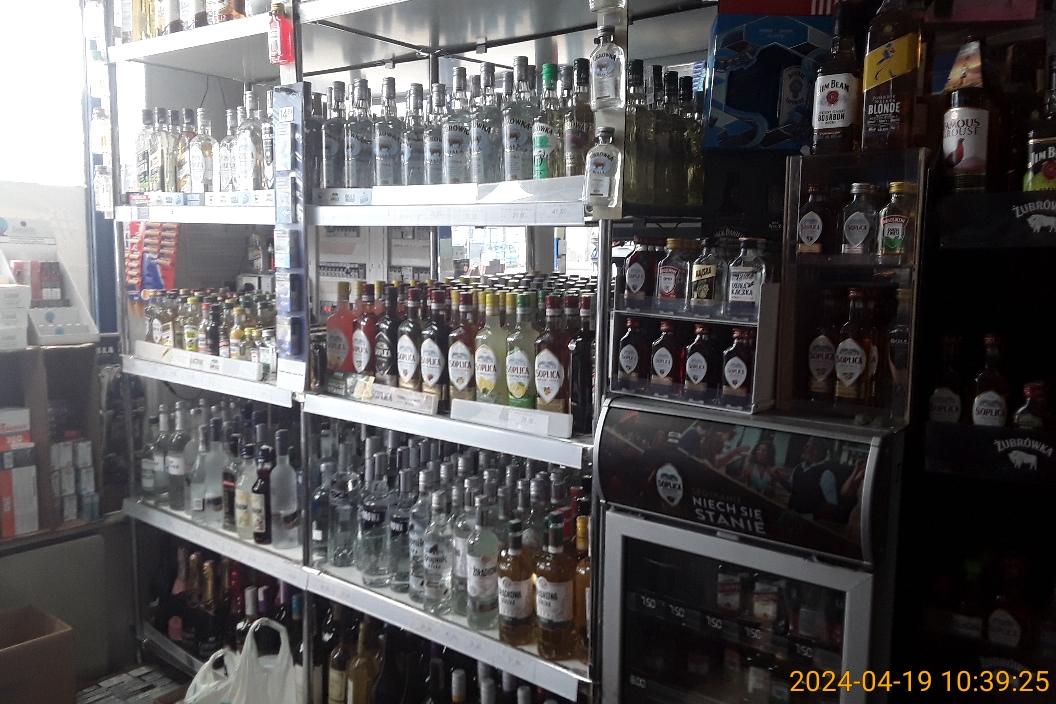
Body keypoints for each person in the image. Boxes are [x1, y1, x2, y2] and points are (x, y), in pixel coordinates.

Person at [785, 437, 839, 520]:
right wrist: (779, 478)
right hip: (791, 515)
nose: (804, 448)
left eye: (807, 447)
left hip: (808, 520)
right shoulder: (799, 467)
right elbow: (791, 487)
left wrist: (812, 517)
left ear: (816, 451)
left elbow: (832, 504)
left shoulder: (826, 474)